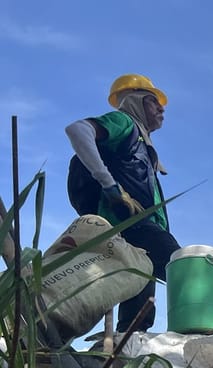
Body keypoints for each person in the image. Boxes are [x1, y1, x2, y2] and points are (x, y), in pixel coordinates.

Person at [65, 73, 179, 333]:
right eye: (153, 101)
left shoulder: (143, 146)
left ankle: (128, 344)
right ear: (135, 101)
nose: (161, 108)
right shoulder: (124, 122)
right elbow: (77, 129)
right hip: (129, 224)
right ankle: (207, 327)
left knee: (140, 299)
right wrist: (109, 185)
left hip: (140, 229)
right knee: (182, 266)